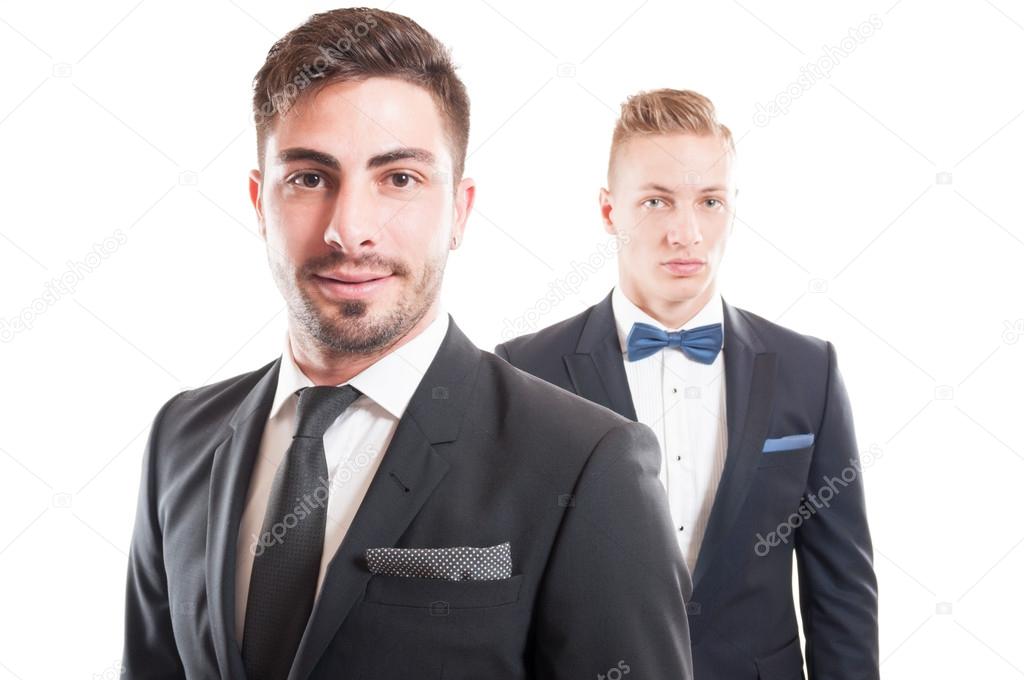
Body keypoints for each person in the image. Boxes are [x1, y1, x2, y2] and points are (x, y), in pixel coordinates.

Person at [121, 9, 693, 679]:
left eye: (399, 179)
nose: (351, 229)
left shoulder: (587, 463)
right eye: (309, 177)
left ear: (459, 210)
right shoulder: (182, 437)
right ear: (258, 202)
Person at [496, 88, 879, 679]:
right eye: (655, 201)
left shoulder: (810, 371)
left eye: (709, 201)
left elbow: (843, 595)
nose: (686, 232)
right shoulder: (524, 371)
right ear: (609, 212)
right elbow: (505, 594)